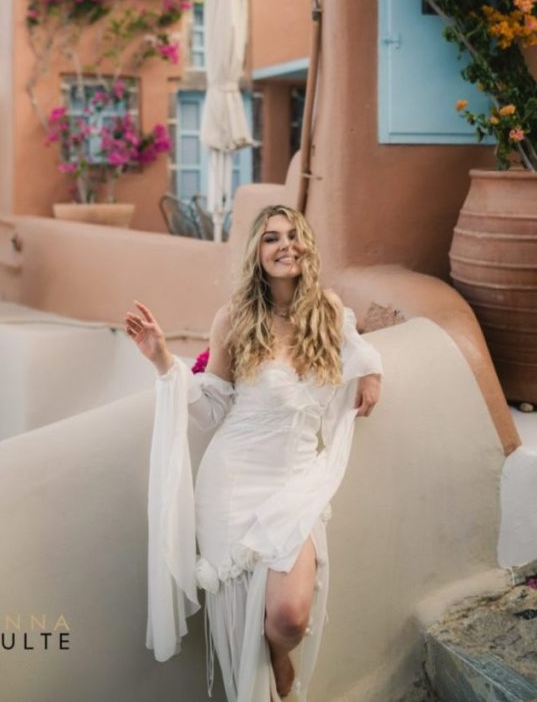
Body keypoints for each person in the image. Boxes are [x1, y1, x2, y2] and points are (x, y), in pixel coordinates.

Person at [125, 204, 383, 701]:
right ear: (257, 254)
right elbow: (212, 409)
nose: (284, 244)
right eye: (270, 238)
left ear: (306, 246)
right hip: (234, 481)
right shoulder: (236, 318)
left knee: (289, 616)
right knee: (245, 619)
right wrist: (163, 363)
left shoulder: (327, 312)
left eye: (292, 235)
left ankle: (280, 664)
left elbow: (360, 352)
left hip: (296, 483)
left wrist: (372, 372)